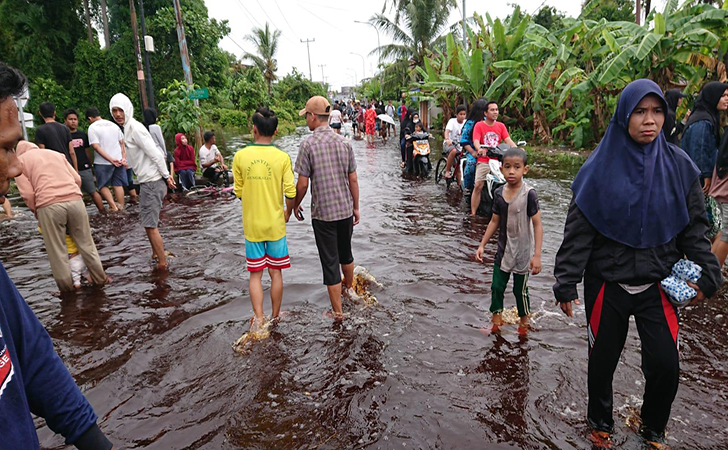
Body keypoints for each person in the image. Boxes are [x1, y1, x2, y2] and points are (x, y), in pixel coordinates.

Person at [552, 79, 722, 449]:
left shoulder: (680, 168)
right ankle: (601, 424)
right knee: (602, 362)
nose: (650, 120)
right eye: (640, 112)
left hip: (657, 283)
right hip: (607, 283)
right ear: (624, 116)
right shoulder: (597, 169)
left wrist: (710, 273)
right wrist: (565, 282)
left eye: (657, 111)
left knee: (665, 366)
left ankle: (652, 428)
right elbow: (578, 231)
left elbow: (695, 228)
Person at [0, 64, 115, 450]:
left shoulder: (25, 163)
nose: (14, 161)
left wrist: (37, 211)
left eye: (13, 147)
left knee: (59, 259)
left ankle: (69, 293)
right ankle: (101, 282)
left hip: (49, 205)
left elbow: (29, 196)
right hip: (76, 199)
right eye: (5, 148)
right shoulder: (54, 152)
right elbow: (76, 172)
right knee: (88, 248)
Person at [293, 96, 360, 320]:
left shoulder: (307, 145)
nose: (306, 121)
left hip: (323, 214)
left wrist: (295, 204)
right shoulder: (344, 142)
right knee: (346, 253)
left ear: (313, 117)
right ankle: (349, 291)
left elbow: (302, 183)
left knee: (330, 262)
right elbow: (353, 180)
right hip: (345, 209)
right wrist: (356, 207)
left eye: (306, 116)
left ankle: (338, 313)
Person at [232, 107, 296, 331]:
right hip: (275, 224)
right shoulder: (282, 157)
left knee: (255, 275)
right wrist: (288, 212)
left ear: (254, 129)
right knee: (275, 272)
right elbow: (291, 191)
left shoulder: (240, 156)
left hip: (252, 226)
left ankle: (259, 319)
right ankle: (276, 316)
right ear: (276, 131)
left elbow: (238, 191)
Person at [475, 147, 542, 334]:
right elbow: (494, 221)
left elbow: (537, 224)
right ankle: (496, 322)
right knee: (497, 287)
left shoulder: (529, 194)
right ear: (501, 169)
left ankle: (524, 323)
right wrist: (482, 245)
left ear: (525, 170)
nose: (511, 171)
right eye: (507, 167)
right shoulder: (498, 193)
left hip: (522, 251)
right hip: (503, 249)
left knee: (520, 291)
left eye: (517, 167)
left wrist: (537, 256)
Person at [109, 93, 176, 270]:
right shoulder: (128, 128)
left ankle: (162, 264)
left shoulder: (135, 128)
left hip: (152, 181)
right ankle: (156, 253)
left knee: (150, 225)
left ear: (127, 109)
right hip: (147, 181)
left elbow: (155, 153)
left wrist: (166, 176)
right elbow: (139, 155)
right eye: (114, 111)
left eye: (120, 110)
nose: (117, 114)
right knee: (148, 223)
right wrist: (126, 162)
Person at [471, 101, 517, 216]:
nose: (495, 112)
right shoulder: (479, 125)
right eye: (492, 110)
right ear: (485, 113)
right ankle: (473, 212)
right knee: (478, 185)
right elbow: (476, 140)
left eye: (496, 109)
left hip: (499, 160)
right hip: (484, 160)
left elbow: (508, 140)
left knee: (513, 181)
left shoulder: (501, 126)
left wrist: (516, 149)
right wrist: (479, 149)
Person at [701, 83, 728, 265]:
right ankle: (708, 276)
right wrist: (705, 176)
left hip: (717, 182)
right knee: (724, 232)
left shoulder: (713, 119)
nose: (727, 99)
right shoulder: (703, 122)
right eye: (723, 95)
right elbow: (700, 152)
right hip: (717, 184)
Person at [64, 109, 105, 213]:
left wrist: (90, 164)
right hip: (69, 169)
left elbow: (87, 151)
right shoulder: (63, 135)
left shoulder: (83, 135)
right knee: (73, 195)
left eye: (75, 119)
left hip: (84, 167)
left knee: (92, 191)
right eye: (70, 119)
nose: (73, 121)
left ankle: (102, 211)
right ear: (65, 121)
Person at [86, 107, 126, 211]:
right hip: (119, 160)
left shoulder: (92, 127)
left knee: (103, 186)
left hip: (102, 162)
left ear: (90, 118)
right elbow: (122, 143)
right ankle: (121, 206)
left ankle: (113, 206)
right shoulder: (114, 125)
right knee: (118, 184)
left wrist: (110, 160)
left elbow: (96, 146)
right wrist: (123, 158)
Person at [35, 101, 78, 171]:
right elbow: (72, 152)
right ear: (54, 113)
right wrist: (76, 170)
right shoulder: (65, 128)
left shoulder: (40, 130)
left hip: (54, 167)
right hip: (68, 165)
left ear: (40, 113)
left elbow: (42, 153)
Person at [459, 99, 489, 193]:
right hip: (473, 150)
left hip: (488, 151)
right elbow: (464, 141)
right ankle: (468, 187)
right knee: (471, 165)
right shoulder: (470, 123)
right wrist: (472, 152)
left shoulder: (488, 121)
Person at [143, 108, 174, 180]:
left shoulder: (143, 127)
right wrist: (165, 153)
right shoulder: (156, 127)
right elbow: (161, 141)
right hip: (158, 152)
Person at [443, 105, 467, 181]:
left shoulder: (466, 123)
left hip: (461, 146)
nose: (462, 116)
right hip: (450, 144)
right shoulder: (452, 121)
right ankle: (447, 171)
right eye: (461, 114)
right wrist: (447, 139)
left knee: (459, 167)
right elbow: (447, 131)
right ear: (456, 115)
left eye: (464, 114)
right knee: (453, 151)